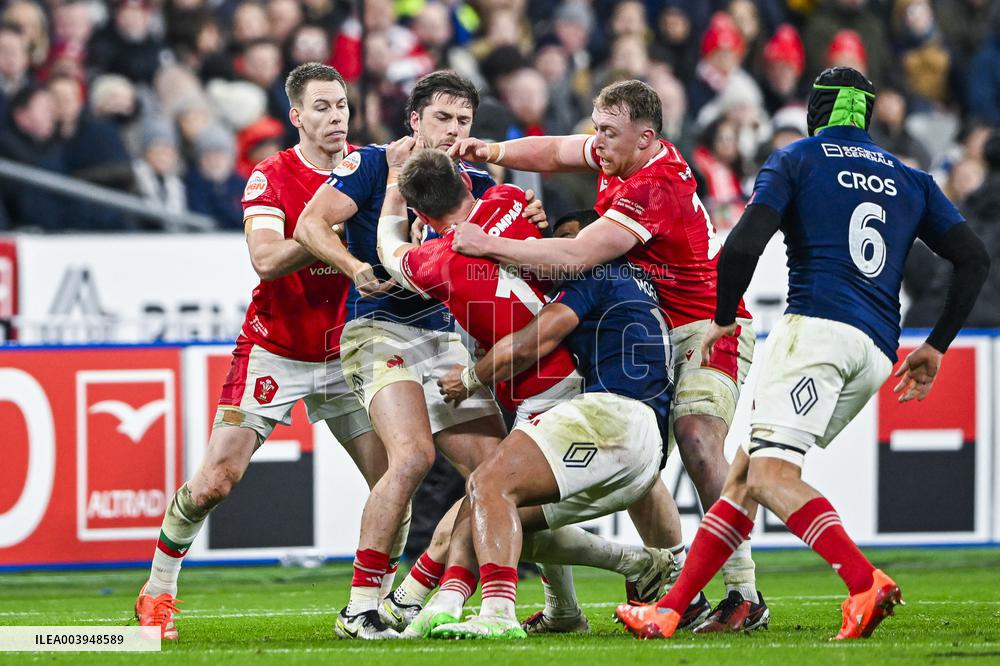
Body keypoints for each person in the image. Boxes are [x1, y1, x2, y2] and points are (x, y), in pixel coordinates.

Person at [615, 67, 990, 640]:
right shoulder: (912, 178)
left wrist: (720, 316)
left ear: (817, 111)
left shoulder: (798, 159)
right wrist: (937, 345)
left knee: (768, 473)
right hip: (875, 350)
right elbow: (974, 259)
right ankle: (669, 610)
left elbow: (742, 245)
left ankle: (864, 581)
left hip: (816, 329)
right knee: (743, 475)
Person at [448, 79, 767, 632]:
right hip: (659, 330)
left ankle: (743, 593)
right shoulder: (622, 155)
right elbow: (554, 151)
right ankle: (669, 588)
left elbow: (575, 256)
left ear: (646, 138)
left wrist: (490, 244)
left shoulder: (656, 185)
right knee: (637, 461)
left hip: (710, 327)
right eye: (597, 129)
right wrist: (493, 151)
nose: (597, 143)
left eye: (608, 133)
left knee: (696, 436)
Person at [375, 147, 684, 636]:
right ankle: (575, 602)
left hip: (549, 393)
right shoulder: (512, 197)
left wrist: (395, 190)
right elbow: (527, 225)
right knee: (511, 512)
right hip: (594, 389)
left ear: (422, 212)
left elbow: (387, 250)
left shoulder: (433, 262)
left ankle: (435, 600)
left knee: (487, 493)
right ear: (468, 184)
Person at [134, 63, 389, 641]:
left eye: (342, 104)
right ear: (297, 117)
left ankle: (370, 606)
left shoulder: (372, 170)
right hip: (275, 348)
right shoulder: (271, 176)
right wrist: (327, 231)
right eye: (321, 107)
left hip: (349, 351)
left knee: (394, 480)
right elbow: (267, 260)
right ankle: (158, 590)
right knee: (216, 481)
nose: (336, 116)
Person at [294, 71, 515, 640]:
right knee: (412, 456)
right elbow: (311, 223)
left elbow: (511, 248)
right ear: (414, 120)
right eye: (442, 118)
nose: (453, 130)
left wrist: (532, 223)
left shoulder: (476, 184)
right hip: (378, 331)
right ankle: (359, 607)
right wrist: (356, 269)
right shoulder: (371, 163)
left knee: (498, 473)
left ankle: (419, 589)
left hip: (443, 339)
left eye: (463, 121)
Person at [428, 245, 675, 640]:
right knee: (497, 522)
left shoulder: (593, 274)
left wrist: (471, 378)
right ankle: (643, 568)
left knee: (488, 485)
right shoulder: (639, 285)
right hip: (649, 449)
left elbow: (529, 343)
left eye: (568, 243)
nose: (560, 256)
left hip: (614, 416)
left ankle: (493, 613)